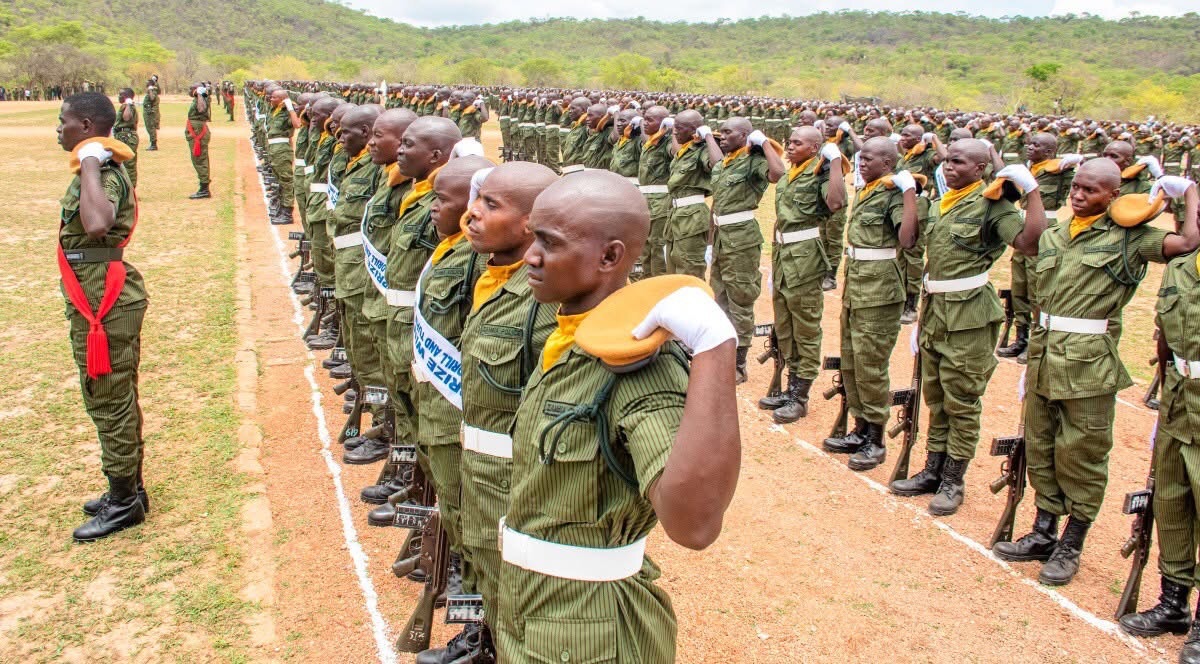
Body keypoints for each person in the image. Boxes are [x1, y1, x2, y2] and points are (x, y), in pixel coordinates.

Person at [493, 170, 741, 663]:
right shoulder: (573, 338)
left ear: (609, 257)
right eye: (532, 237)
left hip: (590, 632)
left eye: (549, 242)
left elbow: (694, 525)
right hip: (535, 606)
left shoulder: (637, 368)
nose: (530, 257)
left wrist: (715, 346)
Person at [993, 162, 1200, 586]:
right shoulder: (1054, 235)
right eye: (1075, 187)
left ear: (1113, 195)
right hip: (1045, 354)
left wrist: (1187, 192)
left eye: (1090, 190)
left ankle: (1073, 541)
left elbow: (1189, 241)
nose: (1078, 195)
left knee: (1082, 454)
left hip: (1088, 364)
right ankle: (1044, 528)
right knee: (1042, 446)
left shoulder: (1130, 237)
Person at [889, 140, 1047, 515]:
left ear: (981, 169)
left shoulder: (994, 205)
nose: (949, 167)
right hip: (937, 311)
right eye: (947, 161)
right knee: (937, 395)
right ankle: (933, 467)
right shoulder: (948, 202)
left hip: (969, 316)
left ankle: (953, 479)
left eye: (959, 163)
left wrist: (1032, 191)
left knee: (962, 399)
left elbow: (1030, 243)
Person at [455, 162, 559, 661]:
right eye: (478, 199)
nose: (471, 213)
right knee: (491, 578)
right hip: (478, 467)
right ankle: (490, 643)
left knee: (517, 594)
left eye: (491, 204)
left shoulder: (546, 303)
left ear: (530, 227)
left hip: (514, 482)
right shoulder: (492, 273)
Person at [408, 155, 493, 664]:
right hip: (439, 409)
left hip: (465, 425)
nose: (434, 207)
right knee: (459, 516)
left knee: (475, 528)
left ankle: (481, 630)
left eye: (444, 199)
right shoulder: (449, 251)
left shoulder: (478, 266)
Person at [56, 92, 149, 542]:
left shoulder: (104, 171)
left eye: (65, 122)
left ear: (88, 127)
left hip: (104, 299)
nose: (59, 130)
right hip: (94, 292)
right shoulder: (95, 168)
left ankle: (124, 499)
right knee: (113, 395)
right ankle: (130, 486)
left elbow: (96, 225)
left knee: (108, 398)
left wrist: (92, 162)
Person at [1115, 178, 1200, 663]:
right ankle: (1172, 602)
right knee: (1172, 501)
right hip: (1180, 396)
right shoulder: (1184, 268)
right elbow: (1167, 335)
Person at [821, 137, 919, 472]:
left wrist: (908, 193)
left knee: (870, 365)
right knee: (851, 361)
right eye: (860, 158)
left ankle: (875, 440)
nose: (861, 163)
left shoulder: (893, 192)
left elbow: (907, 239)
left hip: (879, 292)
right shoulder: (870, 189)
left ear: (889, 163)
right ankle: (859, 428)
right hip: (858, 285)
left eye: (870, 159)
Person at [761, 127, 846, 423]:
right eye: (789, 141)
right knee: (785, 326)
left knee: (805, 328)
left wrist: (835, 162)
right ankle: (789, 387)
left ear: (815, 148)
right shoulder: (791, 172)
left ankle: (800, 396)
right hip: (784, 256)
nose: (790, 146)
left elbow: (836, 204)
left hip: (805, 258)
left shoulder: (821, 173)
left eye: (798, 143)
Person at [709, 117, 784, 381]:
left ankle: (740, 363)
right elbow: (717, 203)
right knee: (720, 296)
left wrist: (764, 143)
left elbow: (777, 174)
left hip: (741, 240)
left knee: (740, 298)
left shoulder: (754, 161)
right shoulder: (725, 163)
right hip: (720, 236)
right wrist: (710, 240)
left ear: (744, 136)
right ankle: (723, 351)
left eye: (729, 132)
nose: (722, 136)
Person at [997, 133, 1081, 363]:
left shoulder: (1060, 170)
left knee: (1037, 289)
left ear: (1050, 151)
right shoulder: (1028, 169)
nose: (1029, 147)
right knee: (1020, 288)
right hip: (1024, 227)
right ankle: (1020, 338)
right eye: (1029, 143)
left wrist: (1060, 162)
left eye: (1037, 145)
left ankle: (1035, 341)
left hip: (1045, 229)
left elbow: (1077, 159)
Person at [665, 109, 714, 278]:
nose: (675, 131)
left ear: (695, 129)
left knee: (689, 269)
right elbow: (675, 149)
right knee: (672, 266)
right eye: (674, 127)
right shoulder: (686, 150)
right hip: (676, 213)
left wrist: (708, 136)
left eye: (680, 127)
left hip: (692, 217)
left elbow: (717, 166)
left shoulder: (703, 150)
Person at [635, 106, 674, 280]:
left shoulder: (667, 143)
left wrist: (671, 130)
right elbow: (646, 139)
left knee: (658, 246)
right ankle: (647, 280)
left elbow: (675, 152)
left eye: (650, 120)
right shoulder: (651, 141)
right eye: (644, 119)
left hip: (661, 201)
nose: (645, 123)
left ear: (663, 123)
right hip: (645, 199)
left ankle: (658, 282)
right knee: (646, 245)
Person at [266, 88, 302, 224]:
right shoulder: (274, 110)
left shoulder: (288, 111)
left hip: (281, 149)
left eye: (274, 97)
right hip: (274, 148)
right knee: (279, 180)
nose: (271, 99)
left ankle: (287, 212)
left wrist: (290, 107)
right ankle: (281, 208)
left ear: (282, 99)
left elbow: (297, 124)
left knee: (286, 180)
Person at [185, 83, 212, 199]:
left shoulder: (201, 98)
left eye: (191, 89)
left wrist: (200, 94)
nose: (190, 91)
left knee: (200, 159)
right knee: (199, 158)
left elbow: (201, 109)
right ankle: (203, 186)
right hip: (196, 128)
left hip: (198, 131)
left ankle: (204, 188)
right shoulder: (200, 98)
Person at [112, 88, 139, 188]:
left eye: (120, 95)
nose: (119, 97)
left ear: (126, 97)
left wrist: (128, 103)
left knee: (129, 164)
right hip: (121, 135)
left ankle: (131, 188)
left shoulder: (129, 106)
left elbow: (127, 117)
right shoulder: (124, 106)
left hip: (128, 137)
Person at [142, 78, 159, 151]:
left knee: (151, 128)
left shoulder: (152, 91)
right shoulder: (150, 91)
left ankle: (153, 145)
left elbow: (152, 98)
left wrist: (150, 90)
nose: (145, 84)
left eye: (147, 83)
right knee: (149, 128)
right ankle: (152, 144)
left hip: (151, 114)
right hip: (148, 113)